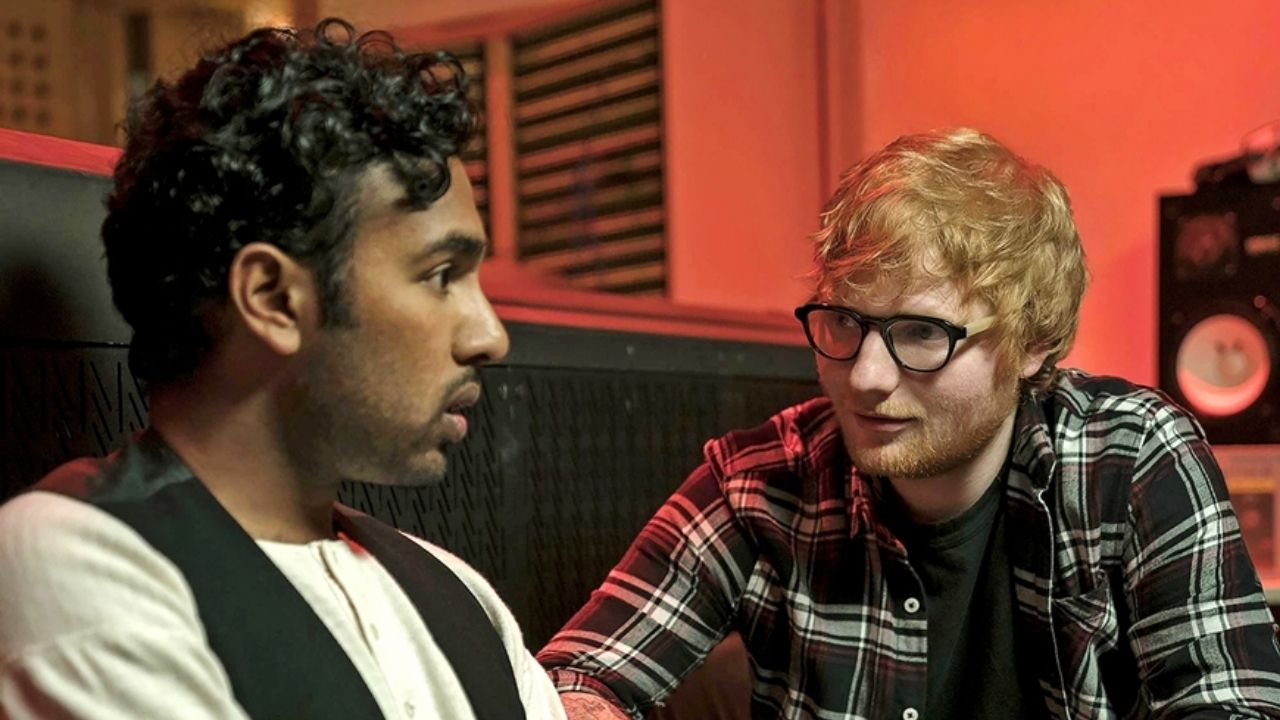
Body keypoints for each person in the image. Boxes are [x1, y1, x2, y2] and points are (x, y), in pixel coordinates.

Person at [538, 128, 1280, 719]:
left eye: (923, 333)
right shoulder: (759, 482)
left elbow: (1229, 705)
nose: (865, 375)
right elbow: (573, 675)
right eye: (844, 322)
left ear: (1033, 344)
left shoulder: (1133, 457)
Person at [0, 18, 564, 720]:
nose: (491, 336)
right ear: (272, 298)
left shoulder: (456, 595)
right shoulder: (79, 565)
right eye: (441, 273)